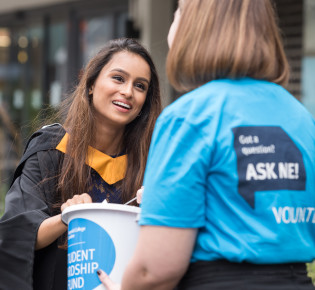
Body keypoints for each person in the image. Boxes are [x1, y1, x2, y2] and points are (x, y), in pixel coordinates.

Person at [98, 0, 315, 289]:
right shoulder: (301, 117)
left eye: (178, 12)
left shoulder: (189, 117)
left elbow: (156, 270)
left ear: (196, 26)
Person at [0, 37, 162, 290]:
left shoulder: (150, 163)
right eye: (118, 78)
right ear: (90, 84)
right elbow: (18, 233)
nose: (128, 92)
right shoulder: (51, 149)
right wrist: (68, 217)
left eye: (140, 86)